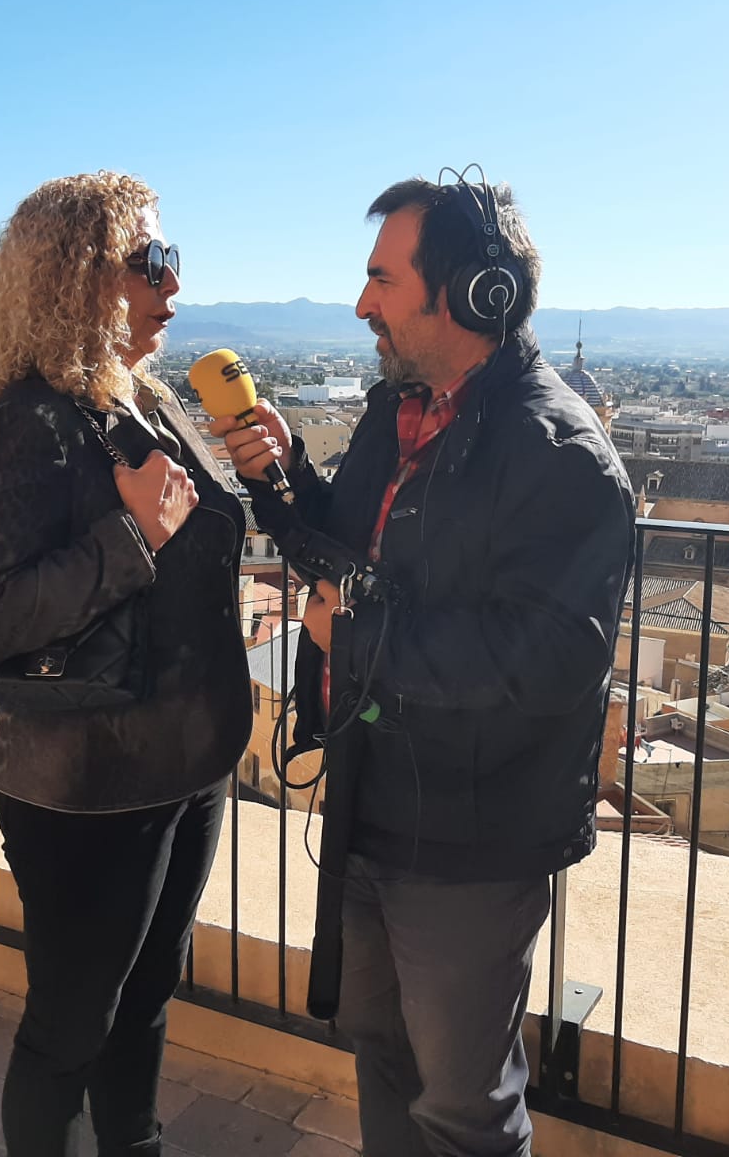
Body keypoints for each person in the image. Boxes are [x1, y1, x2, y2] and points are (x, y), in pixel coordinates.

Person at [214, 175, 634, 1155]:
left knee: (461, 1112)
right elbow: (350, 563)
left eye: (380, 279)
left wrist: (354, 642)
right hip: (375, 805)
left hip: (472, 842)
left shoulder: (560, 456)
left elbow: (557, 655)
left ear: (472, 293)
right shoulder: (395, 416)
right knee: (381, 1055)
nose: (361, 305)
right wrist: (280, 489)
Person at [0, 172, 251, 1156]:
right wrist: (132, 538)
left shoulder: (138, 401)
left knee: (147, 999)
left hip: (177, 767)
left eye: (173, 263)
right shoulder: (30, 424)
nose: (172, 286)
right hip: (85, 792)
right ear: (80, 277)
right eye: (152, 262)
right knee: (70, 1028)